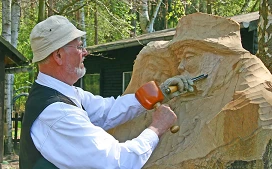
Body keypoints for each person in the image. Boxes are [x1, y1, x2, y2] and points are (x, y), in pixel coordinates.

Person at [19, 15, 194, 169]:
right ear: (58, 56)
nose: (85, 52)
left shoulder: (65, 93)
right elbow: (118, 161)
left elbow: (107, 111)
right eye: (79, 47)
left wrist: (159, 93)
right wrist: (156, 128)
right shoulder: (57, 113)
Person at [110, 13, 272, 168]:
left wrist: (161, 95)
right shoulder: (184, 101)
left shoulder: (255, 96)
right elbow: (115, 149)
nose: (180, 67)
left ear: (221, 56)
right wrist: (157, 121)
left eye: (188, 56)